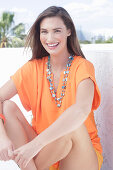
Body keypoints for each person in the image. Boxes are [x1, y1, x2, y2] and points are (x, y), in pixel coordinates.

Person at [0, 6, 103, 170]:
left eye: (57, 31)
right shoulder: (32, 68)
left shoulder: (83, 67)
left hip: (80, 154)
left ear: (69, 31)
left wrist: (34, 145)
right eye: (44, 32)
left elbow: (81, 110)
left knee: (73, 124)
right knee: (7, 107)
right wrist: (2, 137)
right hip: (47, 155)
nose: (50, 38)